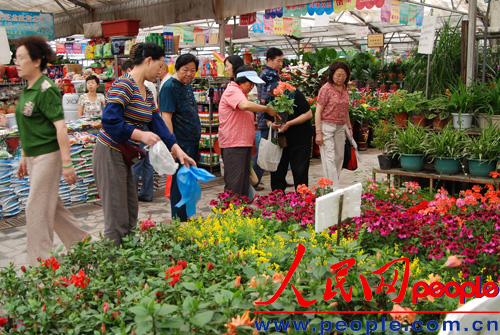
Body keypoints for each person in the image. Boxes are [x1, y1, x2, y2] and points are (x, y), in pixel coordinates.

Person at [93, 43, 196, 246]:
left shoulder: (147, 92)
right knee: (116, 213)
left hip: (125, 154)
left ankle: (129, 255)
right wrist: (140, 134)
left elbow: (158, 124)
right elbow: (110, 121)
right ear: (148, 60)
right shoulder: (124, 85)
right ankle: (113, 264)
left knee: (130, 209)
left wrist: (177, 150)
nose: (160, 72)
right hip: (109, 152)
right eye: (159, 66)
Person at [14, 35, 88, 265]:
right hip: (35, 156)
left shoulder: (46, 90)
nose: (16, 63)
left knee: (35, 209)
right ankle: (85, 246)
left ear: (36, 61)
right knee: (53, 209)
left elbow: (60, 127)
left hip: (48, 156)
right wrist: (24, 155)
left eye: (21, 58)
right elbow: (28, 125)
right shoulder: (28, 90)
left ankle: (40, 267)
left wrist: (67, 162)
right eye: (16, 58)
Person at [218, 66, 278, 197]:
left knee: (243, 181)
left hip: (241, 142)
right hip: (234, 143)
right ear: (241, 80)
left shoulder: (240, 92)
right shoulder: (233, 90)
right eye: (250, 83)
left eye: (253, 83)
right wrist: (267, 109)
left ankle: (240, 212)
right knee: (235, 182)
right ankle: (230, 213)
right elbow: (244, 105)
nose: (252, 86)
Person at [159, 54, 201, 222]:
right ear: (177, 69)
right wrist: (172, 145)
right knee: (179, 181)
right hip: (180, 143)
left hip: (191, 140)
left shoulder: (187, 84)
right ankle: (178, 220)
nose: (189, 74)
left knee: (189, 181)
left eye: (192, 71)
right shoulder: (169, 87)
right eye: (185, 70)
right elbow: (166, 117)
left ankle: (186, 216)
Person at [263, 74, 313, 192]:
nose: (271, 92)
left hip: (300, 138)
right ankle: (278, 198)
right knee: (277, 170)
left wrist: (289, 123)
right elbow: (268, 119)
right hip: (281, 139)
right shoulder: (269, 99)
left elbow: (308, 114)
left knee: (300, 170)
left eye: (273, 88)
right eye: (268, 89)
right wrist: (271, 125)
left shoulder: (294, 94)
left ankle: (301, 199)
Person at [315, 61, 353, 188]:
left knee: (339, 157)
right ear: (332, 75)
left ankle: (330, 184)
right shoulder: (326, 89)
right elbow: (318, 111)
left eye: (343, 75)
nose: (340, 78)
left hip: (340, 127)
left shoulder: (345, 89)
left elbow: (346, 110)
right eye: (338, 75)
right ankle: (333, 188)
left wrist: (349, 127)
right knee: (329, 158)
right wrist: (318, 133)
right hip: (327, 126)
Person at [253, 48, 284, 189]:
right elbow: (267, 99)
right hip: (268, 117)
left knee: (270, 148)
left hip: (268, 116)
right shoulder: (269, 75)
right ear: (270, 60)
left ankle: (277, 179)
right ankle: (253, 181)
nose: (281, 64)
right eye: (278, 60)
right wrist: (269, 118)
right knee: (265, 150)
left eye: (282, 61)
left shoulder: (267, 73)